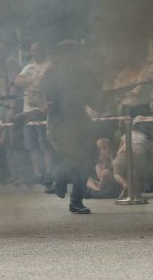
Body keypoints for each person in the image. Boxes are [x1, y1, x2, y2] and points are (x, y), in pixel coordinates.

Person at [38, 40, 104, 214]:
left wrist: (101, 97)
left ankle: (76, 200)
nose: (75, 58)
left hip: (80, 122)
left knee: (88, 158)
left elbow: (97, 102)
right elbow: (46, 101)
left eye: (76, 54)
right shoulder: (52, 76)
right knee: (78, 157)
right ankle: (58, 177)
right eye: (71, 54)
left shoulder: (86, 75)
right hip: (60, 125)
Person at [13, 42, 53, 190]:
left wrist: (36, 82)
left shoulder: (49, 65)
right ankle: (39, 173)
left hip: (42, 110)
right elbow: (18, 80)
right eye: (33, 51)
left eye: (37, 50)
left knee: (46, 143)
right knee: (32, 144)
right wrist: (33, 80)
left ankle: (49, 174)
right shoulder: (29, 67)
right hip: (28, 111)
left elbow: (46, 83)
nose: (35, 53)